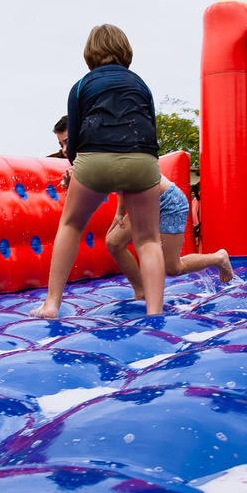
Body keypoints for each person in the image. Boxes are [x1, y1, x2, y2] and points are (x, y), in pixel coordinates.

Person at [32, 24, 163, 318]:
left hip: (95, 159)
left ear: (89, 53)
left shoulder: (81, 86)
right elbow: (150, 128)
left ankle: (51, 304)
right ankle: (155, 312)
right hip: (141, 160)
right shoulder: (141, 84)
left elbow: (74, 141)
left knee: (71, 225)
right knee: (148, 239)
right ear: (125, 51)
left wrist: (77, 169)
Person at [105, 178, 234, 297]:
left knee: (172, 268)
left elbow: (123, 177)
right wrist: (119, 214)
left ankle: (218, 258)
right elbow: (121, 186)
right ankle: (142, 292)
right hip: (145, 204)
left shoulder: (111, 163)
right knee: (114, 243)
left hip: (169, 201)